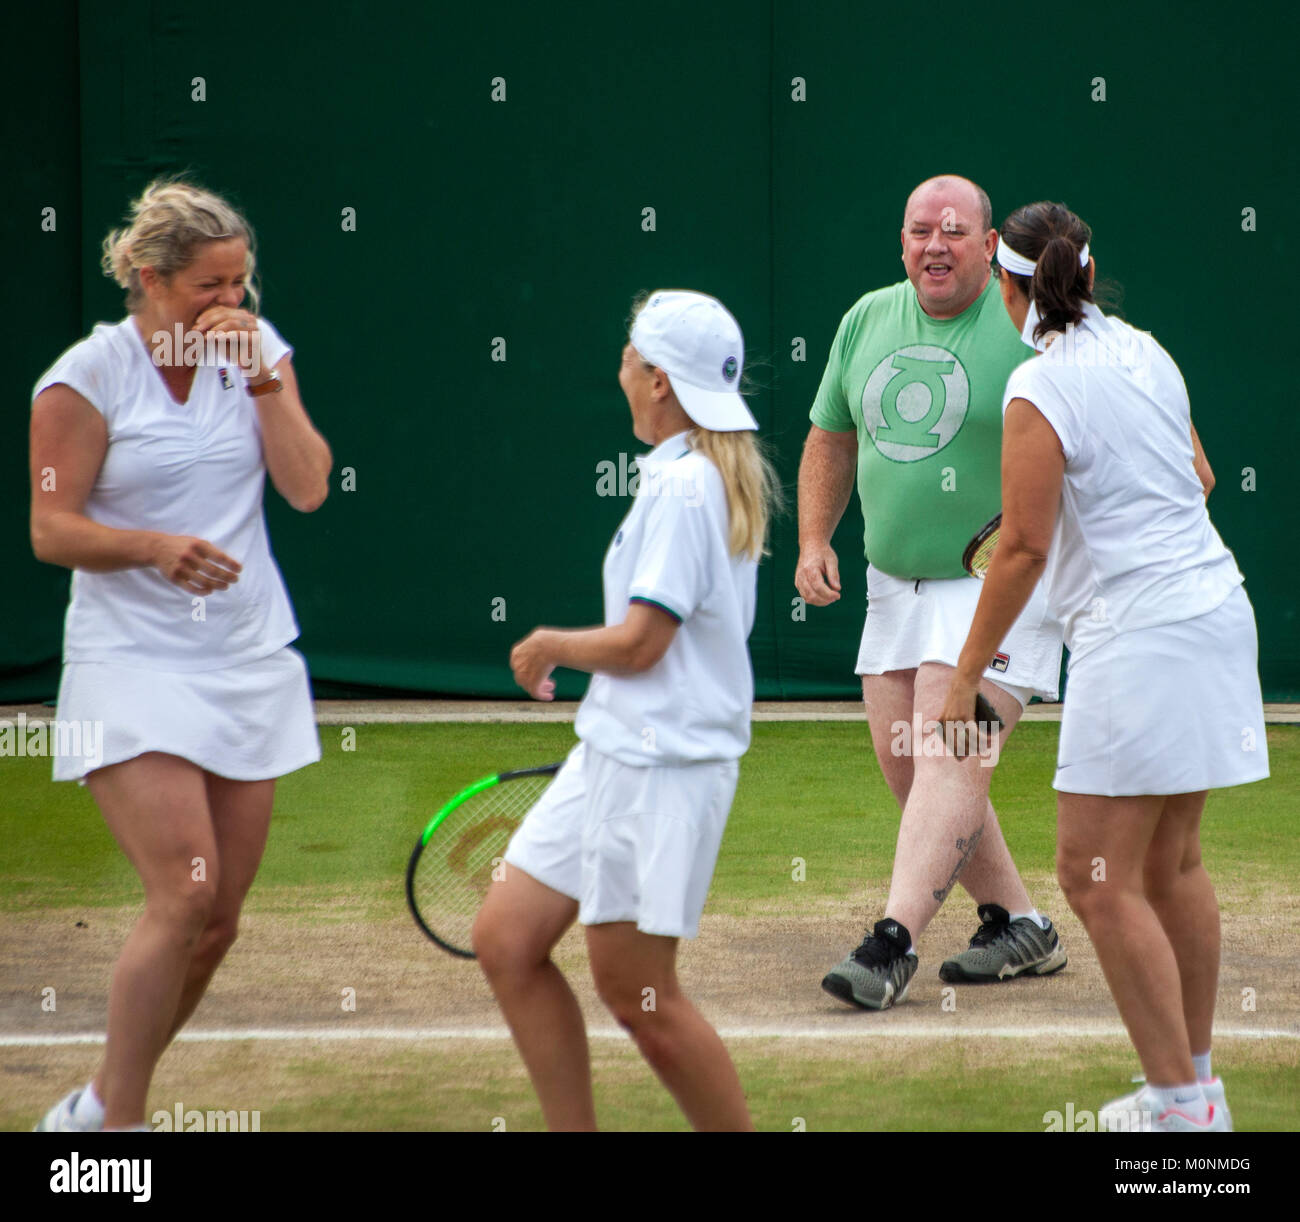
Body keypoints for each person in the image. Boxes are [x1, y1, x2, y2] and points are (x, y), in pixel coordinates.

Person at [939, 200, 1268, 1132]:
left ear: (1007, 287)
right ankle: (1197, 1090)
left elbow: (1023, 552)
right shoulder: (1147, 350)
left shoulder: (1038, 389)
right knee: (1171, 866)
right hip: (1215, 614)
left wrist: (966, 674)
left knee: (1090, 876)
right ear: (1085, 274)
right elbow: (1196, 478)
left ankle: (1178, 1106)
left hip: (1141, 638)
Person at [30, 179, 331, 1132]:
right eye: (213, 285)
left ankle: (100, 1107)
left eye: (242, 282)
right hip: (126, 663)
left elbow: (309, 488)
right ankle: (118, 1135)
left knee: (219, 918)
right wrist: (154, 548)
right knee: (185, 889)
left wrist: (267, 382)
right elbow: (51, 527)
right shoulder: (84, 378)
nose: (233, 303)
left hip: (245, 659)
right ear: (151, 280)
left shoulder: (260, 351)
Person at [472, 289, 780, 1132]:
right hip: (611, 753)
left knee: (640, 996)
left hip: (664, 770)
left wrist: (547, 646)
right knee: (506, 939)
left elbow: (644, 644)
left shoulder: (686, 489)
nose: (619, 370)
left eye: (627, 357)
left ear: (656, 381)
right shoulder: (687, 475)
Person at [797, 174, 1068, 1010]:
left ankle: (891, 945)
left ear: (991, 247)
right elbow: (830, 436)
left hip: (1000, 583)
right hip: (893, 584)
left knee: (953, 752)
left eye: (956, 232)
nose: (935, 246)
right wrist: (814, 539)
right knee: (913, 767)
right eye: (921, 231)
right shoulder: (866, 318)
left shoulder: (1032, 327)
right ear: (902, 241)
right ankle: (1021, 924)